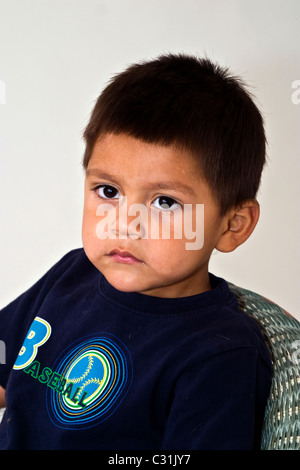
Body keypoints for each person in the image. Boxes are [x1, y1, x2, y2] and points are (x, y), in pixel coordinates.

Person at [0, 53, 272, 450]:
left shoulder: (220, 354)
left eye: (164, 202)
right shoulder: (73, 273)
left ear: (233, 225)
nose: (124, 223)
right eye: (108, 191)